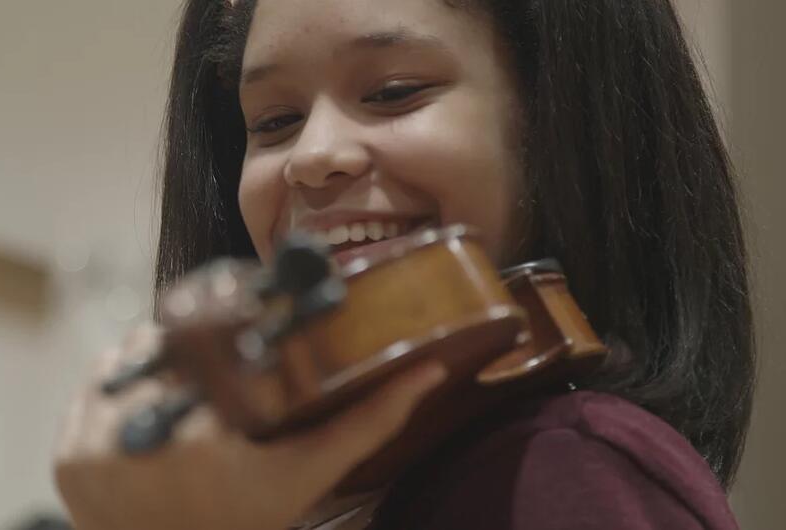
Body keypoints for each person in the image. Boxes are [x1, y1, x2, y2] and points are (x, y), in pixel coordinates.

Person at [53, 0, 755, 528]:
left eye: (393, 92)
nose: (313, 157)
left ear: (560, 118)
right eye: (273, 122)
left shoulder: (566, 472)